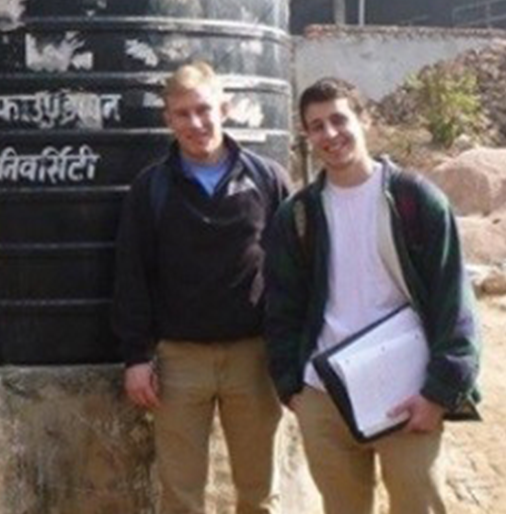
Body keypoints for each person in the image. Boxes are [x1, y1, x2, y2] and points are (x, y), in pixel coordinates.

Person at [264, 77, 481, 514]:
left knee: (417, 504)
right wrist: (292, 387)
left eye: (339, 119)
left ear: (364, 120)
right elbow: (281, 306)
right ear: (307, 136)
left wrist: (440, 391)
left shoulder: (415, 200)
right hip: (323, 396)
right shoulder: (299, 216)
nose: (330, 134)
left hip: (408, 392)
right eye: (317, 125)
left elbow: (453, 302)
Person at [112, 61, 290, 514]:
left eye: (204, 110)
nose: (196, 123)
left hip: (254, 357)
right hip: (178, 361)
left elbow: (297, 267)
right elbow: (132, 275)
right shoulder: (150, 189)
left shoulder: (267, 178)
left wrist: (292, 348)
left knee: (258, 494)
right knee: (181, 496)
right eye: (183, 114)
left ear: (225, 109)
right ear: (167, 120)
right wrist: (136, 356)